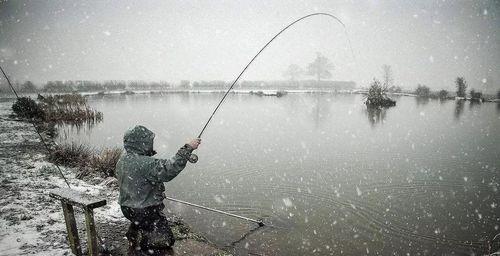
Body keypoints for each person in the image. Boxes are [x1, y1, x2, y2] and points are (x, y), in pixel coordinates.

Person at [116, 125, 201, 252]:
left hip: (127, 208)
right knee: (165, 241)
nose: (151, 144)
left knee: (140, 223)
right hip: (144, 211)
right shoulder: (145, 163)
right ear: (141, 143)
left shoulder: (123, 160)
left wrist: (154, 192)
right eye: (149, 142)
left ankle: (135, 234)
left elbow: (139, 182)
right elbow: (169, 169)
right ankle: (146, 246)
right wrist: (187, 148)